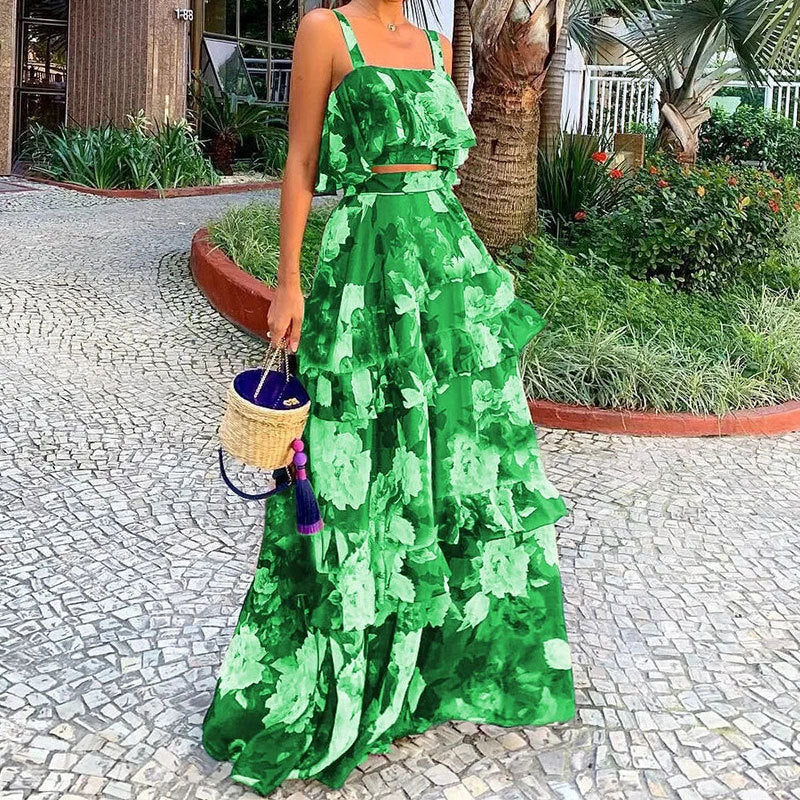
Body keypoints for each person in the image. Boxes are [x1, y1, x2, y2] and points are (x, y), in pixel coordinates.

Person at [201, 1, 576, 795]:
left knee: (459, 458)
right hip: (365, 265)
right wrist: (289, 280)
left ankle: (439, 661)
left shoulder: (436, 43)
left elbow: (441, 172)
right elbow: (302, 161)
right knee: (354, 461)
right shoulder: (324, 31)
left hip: (445, 272)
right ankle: (353, 658)